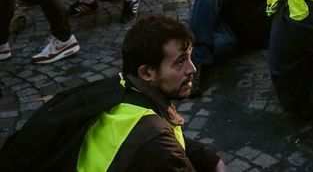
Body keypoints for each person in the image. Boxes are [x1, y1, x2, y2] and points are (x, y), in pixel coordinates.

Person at [78, 16, 224, 170]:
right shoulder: (158, 144)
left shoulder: (121, 86)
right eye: (180, 61)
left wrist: (208, 158)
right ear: (147, 72)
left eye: (189, 57)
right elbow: (159, 145)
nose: (192, 69)